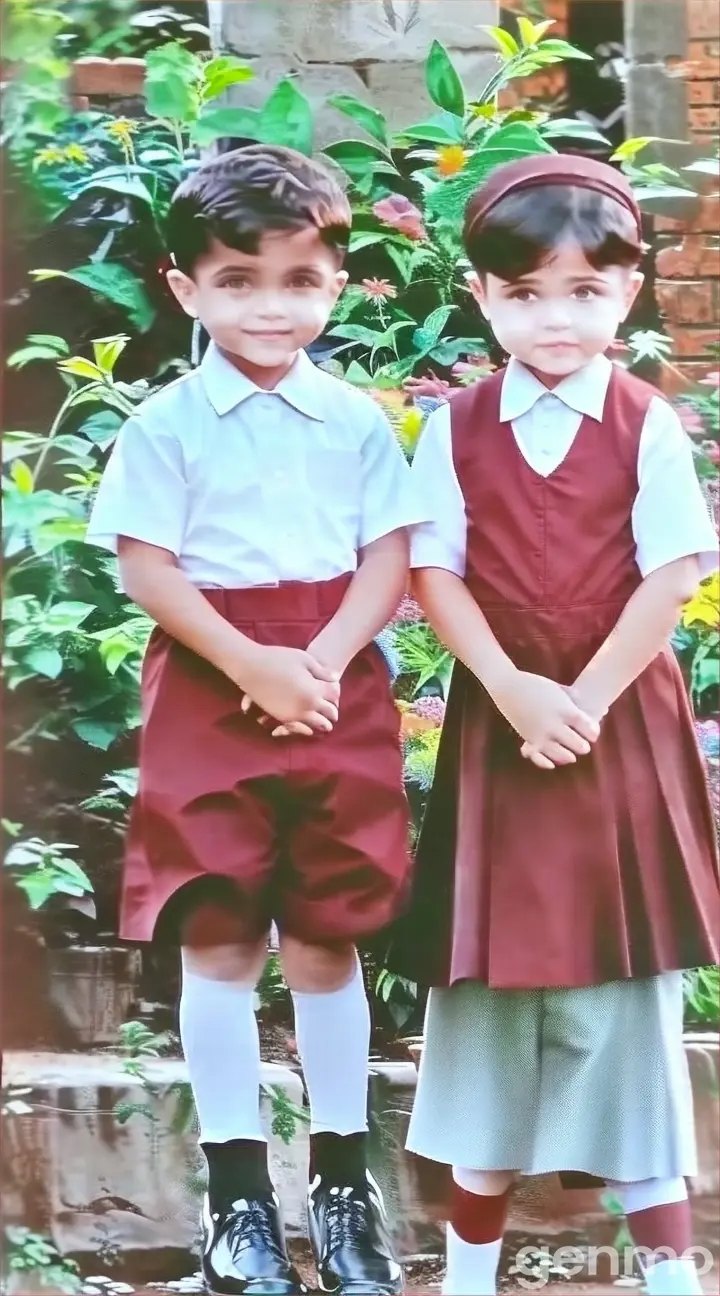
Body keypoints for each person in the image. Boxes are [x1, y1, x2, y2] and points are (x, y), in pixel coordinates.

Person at [86, 144, 421, 1296]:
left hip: (334, 685)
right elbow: (147, 567)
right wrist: (250, 665)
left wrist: (318, 661)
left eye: (296, 278)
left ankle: (343, 1195)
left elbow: (391, 555)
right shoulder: (168, 425)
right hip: (209, 685)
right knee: (219, 934)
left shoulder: (358, 424)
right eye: (237, 279)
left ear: (334, 282)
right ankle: (238, 1205)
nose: (270, 305)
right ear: (187, 289)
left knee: (328, 933)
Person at [389, 154, 720, 1296]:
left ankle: (672, 1277)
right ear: (483, 298)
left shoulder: (647, 426)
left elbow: (673, 573)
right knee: (482, 997)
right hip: (502, 736)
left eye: (583, 292)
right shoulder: (457, 429)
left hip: (619, 735)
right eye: (524, 294)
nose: (555, 318)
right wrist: (515, 689)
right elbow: (434, 571)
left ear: (625, 292)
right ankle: (468, 1274)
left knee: (623, 1006)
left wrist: (580, 699)